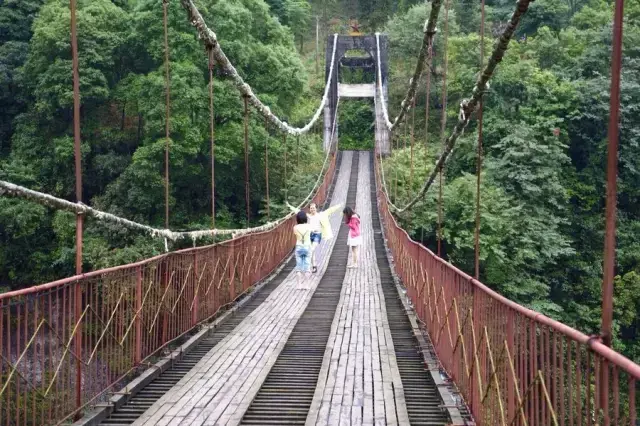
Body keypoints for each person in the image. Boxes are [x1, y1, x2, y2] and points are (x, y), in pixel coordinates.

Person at [288, 201, 343, 273]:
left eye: (313, 208)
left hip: (317, 234)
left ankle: (306, 266)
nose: (312, 209)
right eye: (311, 208)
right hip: (310, 235)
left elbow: (330, 210)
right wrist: (290, 206)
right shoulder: (308, 216)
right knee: (312, 251)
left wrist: (339, 205)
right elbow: (298, 212)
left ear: (316, 208)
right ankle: (314, 266)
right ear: (309, 209)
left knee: (311, 248)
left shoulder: (321, 215)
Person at [293, 210, 312, 284]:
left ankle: (299, 285)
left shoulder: (295, 227)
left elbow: (295, 234)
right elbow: (311, 227)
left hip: (299, 247)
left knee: (298, 267)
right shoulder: (309, 226)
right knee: (307, 267)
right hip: (307, 246)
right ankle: (307, 285)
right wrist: (308, 216)